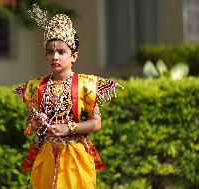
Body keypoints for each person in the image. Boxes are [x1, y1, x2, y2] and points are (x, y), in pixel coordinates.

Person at [15, 4, 123, 189]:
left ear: (74, 56)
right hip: (47, 156)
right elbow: (29, 124)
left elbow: (96, 123)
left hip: (75, 156)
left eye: (61, 52)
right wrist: (37, 122)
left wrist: (69, 128)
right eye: (50, 52)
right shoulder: (36, 87)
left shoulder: (85, 85)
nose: (55, 57)